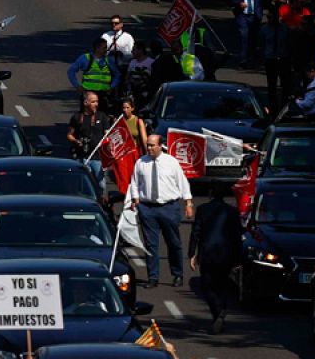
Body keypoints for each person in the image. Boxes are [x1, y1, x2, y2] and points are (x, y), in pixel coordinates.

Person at [126, 132, 193, 287]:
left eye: (152, 145)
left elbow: (182, 183)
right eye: (147, 145)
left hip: (169, 208)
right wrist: (135, 199)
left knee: (173, 243)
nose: (148, 148)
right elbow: (135, 182)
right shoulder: (141, 163)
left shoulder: (171, 162)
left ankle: (177, 274)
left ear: (160, 146)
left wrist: (188, 203)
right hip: (148, 208)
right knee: (150, 245)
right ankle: (153, 277)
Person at [188, 184, 242, 333]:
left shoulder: (203, 209)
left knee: (207, 286)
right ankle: (220, 312)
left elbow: (196, 232)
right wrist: (238, 258)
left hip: (207, 253)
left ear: (210, 193)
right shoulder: (232, 211)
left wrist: (192, 253)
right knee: (222, 284)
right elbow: (237, 236)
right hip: (226, 254)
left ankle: (218, 311)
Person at [67, 91, 113, 187]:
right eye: (93, 102)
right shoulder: (77, 117)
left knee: (101, 185)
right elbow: (70, 135)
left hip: (97, 157)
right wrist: (76, 141)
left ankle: (102, 200)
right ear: (85, 103)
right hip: (82, 157)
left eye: (97, 101)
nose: (96, 104)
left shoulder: (102, 116)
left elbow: (107, 134)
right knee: (82, 184)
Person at [233, 0, 263, 66]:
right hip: (242, 15)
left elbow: (261, 1)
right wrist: (239, 3)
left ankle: (251, 57)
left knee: (253, 38)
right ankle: (243, 60)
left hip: (254, 16)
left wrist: (260, 14)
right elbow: (232, 0)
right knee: (244, 35)